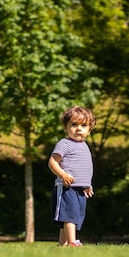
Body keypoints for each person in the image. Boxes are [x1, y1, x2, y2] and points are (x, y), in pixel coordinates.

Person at [48, 106, 96, 247]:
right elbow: (52, 162)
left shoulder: (84, 146)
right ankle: (72, 241)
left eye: (83, 125)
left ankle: (62, 243)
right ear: (65, 127)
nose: (78, 129)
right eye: (74, 125)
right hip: (67, 187)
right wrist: (62, 174)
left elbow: (84, 168)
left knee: (74, 215)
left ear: (89, 130)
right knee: (70, 215)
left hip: (79, 189)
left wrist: (87, 184)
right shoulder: (65, 144)